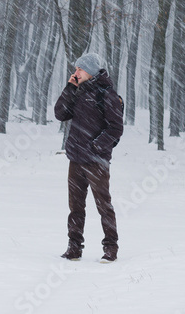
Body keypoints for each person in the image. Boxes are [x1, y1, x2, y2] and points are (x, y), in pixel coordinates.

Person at [54, 52, 124, 263]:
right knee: (75, 206)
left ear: (91, 72)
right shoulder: (77, 91)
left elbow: (116, 129)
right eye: (75, 69)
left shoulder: (107, 95)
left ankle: (110, 248)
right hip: (75, 159)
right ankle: (74, 247)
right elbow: (60, 113)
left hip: (97, 161)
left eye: (79, 69)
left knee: (104, 205)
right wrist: (70, 88)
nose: (75, 73)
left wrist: (95, 146)